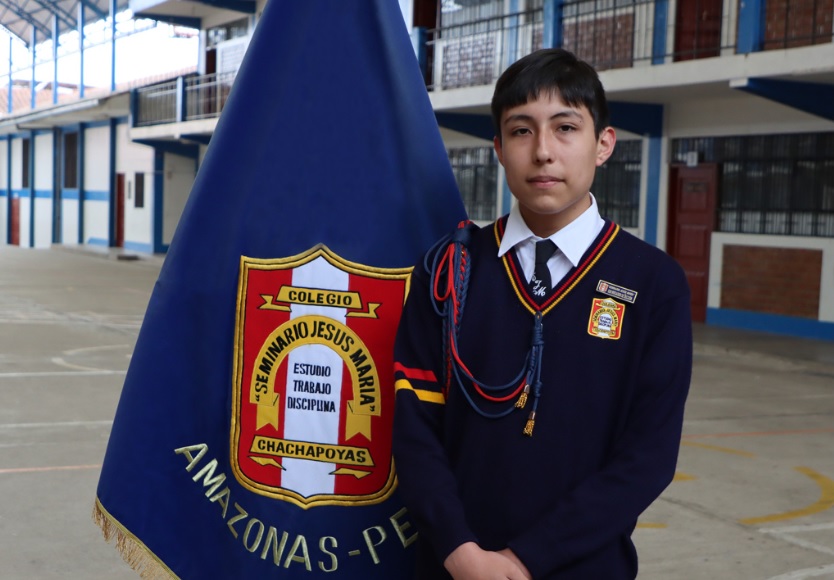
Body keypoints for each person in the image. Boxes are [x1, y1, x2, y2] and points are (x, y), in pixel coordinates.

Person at [391, 48, 692, 579]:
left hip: (584, 567)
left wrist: (525, 560)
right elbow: (414, 427)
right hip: (453, 567)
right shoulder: (446, 271)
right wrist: (460, 549)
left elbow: (647, 457)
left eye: (566, 127)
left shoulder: (653, 283)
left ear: (604, 145)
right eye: (522, 131)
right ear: (499, 150)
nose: (544, 152)